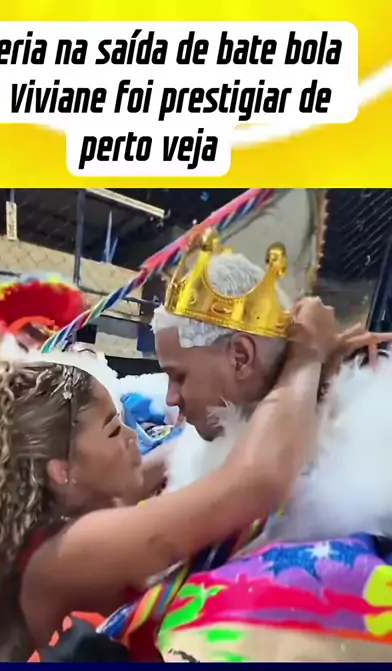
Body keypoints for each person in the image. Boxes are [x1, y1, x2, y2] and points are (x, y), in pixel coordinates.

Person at [0, 296, 337, 661]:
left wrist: (284, 388)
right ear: (63, 471)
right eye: (112, 428)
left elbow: (175, 455)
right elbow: (254, 481)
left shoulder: (46, 513)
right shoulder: (72, 550)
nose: (133, 436)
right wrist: (306, 357)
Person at [152, 219, 392, 547]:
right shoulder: (199, 446)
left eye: (179, 376)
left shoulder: (365, 463)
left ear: (240, 357)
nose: (170, 398)